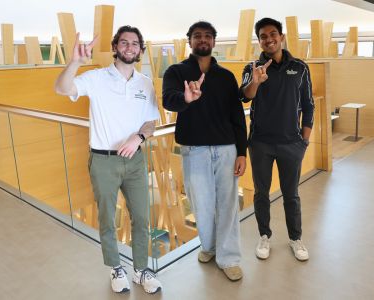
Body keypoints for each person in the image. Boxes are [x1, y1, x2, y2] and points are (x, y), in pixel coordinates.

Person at [55, 25, 162, 294]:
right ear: (115, 47)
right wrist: (74, 63)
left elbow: (151, 122)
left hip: (135, 160)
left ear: (140, 49)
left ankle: (140, 269)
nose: (129, 47)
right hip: (103, 161)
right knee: (107, 218)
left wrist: (138, 137)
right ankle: (116, 267)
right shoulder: (97, 78)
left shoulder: (145, 82)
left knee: (141, 217)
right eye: (124, 43)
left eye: (135, 43)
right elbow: (61, 88)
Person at [163, 21, 247, 281]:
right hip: (194, 150)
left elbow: (237, 117)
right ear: (189, 41)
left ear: (214, 42)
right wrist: (186, 99)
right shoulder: (176, 72)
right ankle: (209, 247)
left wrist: (242, 152)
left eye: (208, 36)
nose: (203, 40)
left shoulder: (226, 77)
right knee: (202, 204)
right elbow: (168, 99)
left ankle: (229, 257)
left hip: (226, 149)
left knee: (228, 204)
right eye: (197, 36)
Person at [240, 17, 314, 261]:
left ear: (281, 37)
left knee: (291, 194)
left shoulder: (300, 67)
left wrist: (304, 140)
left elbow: (308, 105)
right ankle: (264, 236)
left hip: (291, 144)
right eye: (263, 36)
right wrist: (257, 81)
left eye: (273, 34)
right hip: (260, 143)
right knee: (261, 193)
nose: (268, 39)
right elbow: (245, 97)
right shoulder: (252, 68)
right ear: (259, 41)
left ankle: (295, 238)